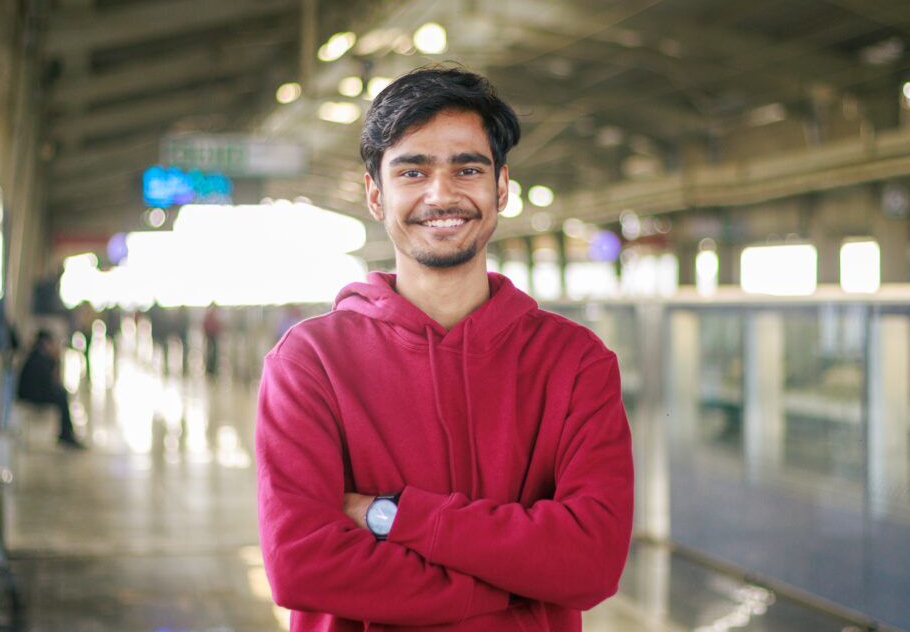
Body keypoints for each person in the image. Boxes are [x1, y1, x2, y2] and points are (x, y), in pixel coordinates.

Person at [255, 67, 634, 631]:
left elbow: (592, 563)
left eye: (468, 168)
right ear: (375, 194)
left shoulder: (575, 361)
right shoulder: (309, 363)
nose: (442, 194)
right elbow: (302, 567)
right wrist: (520, 587)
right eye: (413, 171)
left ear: (501, 187)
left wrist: (393, 518)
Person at [16, 329, 85, 449]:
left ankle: (66, 433)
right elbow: (49, 381)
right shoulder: (38, 358)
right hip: (31, 395)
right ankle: (66, 434)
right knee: (61, 396)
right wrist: (56, 360)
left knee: (62, 394)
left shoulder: (38, 355)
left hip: (33, 392)